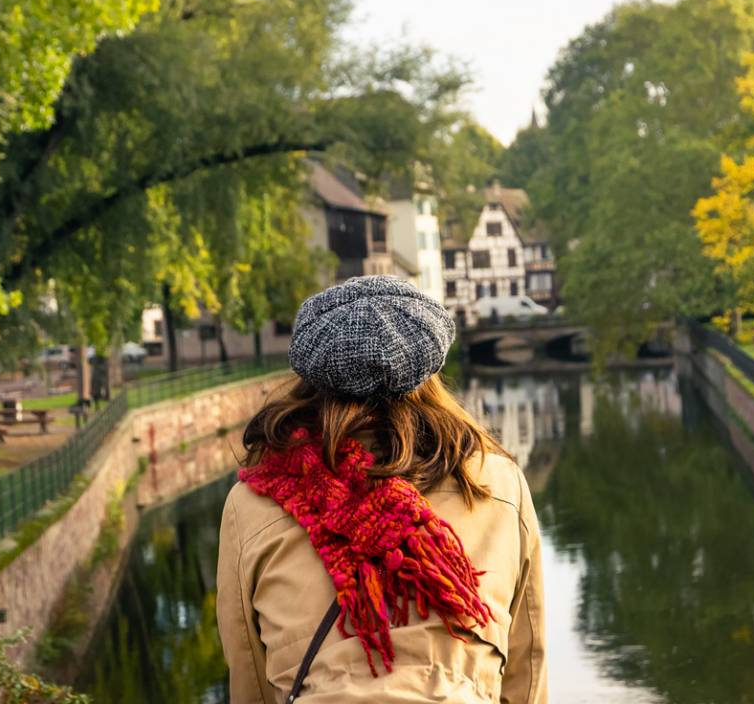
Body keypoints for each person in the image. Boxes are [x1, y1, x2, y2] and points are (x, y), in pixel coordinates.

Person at [217, 275, 547, 703]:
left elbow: (250, 676)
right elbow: (526, 667)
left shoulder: (252, 503)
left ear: (312, 379)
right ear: (428, 372)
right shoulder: (495, 482)